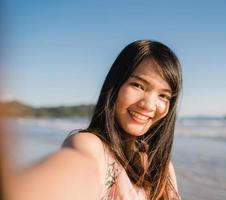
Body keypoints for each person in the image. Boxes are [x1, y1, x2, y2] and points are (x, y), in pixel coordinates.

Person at [9, 39, 182, 200]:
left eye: (163, 95)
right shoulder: (90, 146)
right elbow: (69, 173)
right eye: (138, 85)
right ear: (116, 85)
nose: (149, 105)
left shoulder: (162, 167)